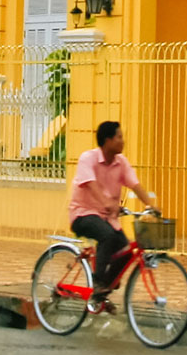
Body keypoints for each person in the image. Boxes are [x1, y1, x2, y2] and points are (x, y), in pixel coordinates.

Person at [65, 120, 159, 311]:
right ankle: (98, 283)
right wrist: (106, 203)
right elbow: (91, 184)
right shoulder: (88, 158)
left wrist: (151, 205)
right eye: (119, 137)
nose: (123, 141)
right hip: (83, 214)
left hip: (107, 218)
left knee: (126, 251)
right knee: (107, 236)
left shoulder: (121, 162)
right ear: (107, 140)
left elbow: (135, 185)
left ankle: (103, 291)